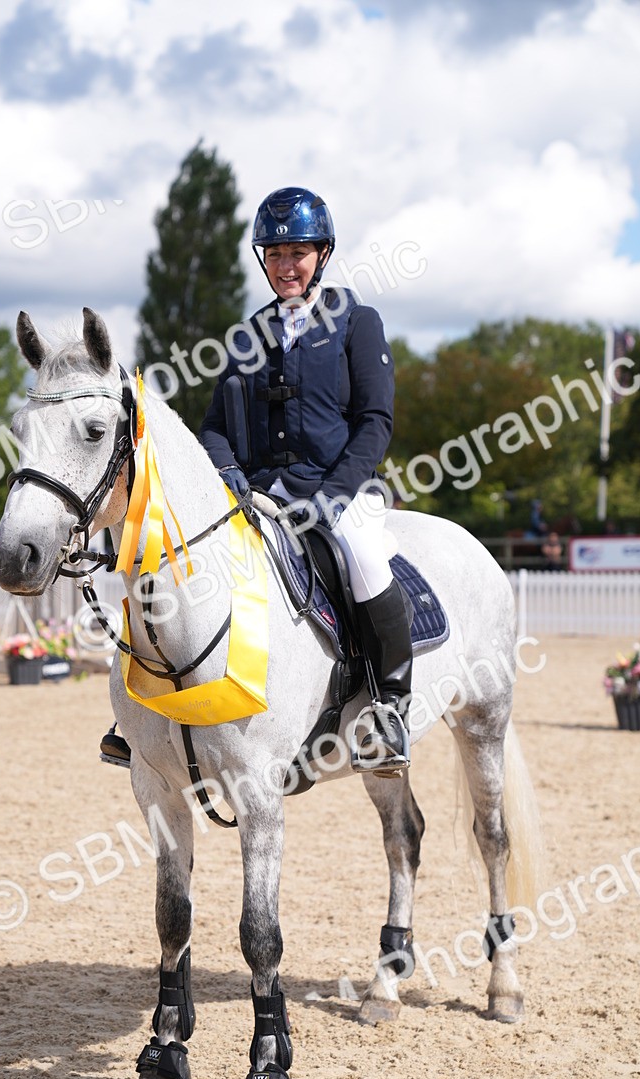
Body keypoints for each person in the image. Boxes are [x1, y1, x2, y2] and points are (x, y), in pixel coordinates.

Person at [199, 186, 413, 772]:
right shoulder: (248, 337)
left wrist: (332, 496)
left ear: (322, 254)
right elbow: (215, 426)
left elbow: (375, 421)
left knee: (366, 558)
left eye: (297, 253)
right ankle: (152, 714)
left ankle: (390, 709)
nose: (286, 266)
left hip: (339, 488)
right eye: (274, 255)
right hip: (262, 491)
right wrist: (227, 473)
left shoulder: (356, 322)